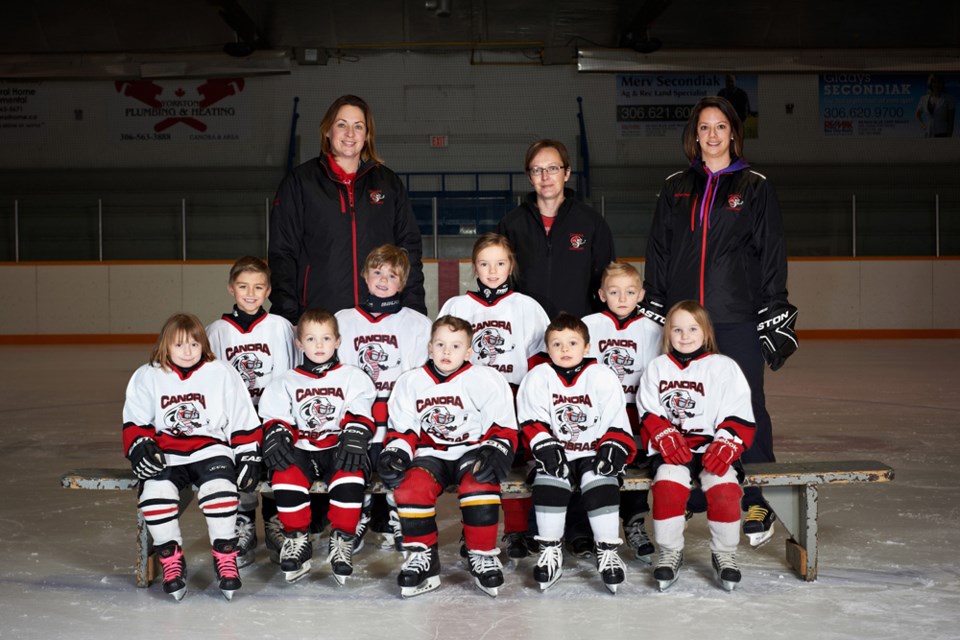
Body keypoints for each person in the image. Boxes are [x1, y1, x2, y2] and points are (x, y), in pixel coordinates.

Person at [641, 95, 797, 547]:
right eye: (703, 128)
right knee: (685, 402)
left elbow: (771, 249)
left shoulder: (755, 185)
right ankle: (692, 493)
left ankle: (755, 496)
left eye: (720, 127)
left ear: (733, 133)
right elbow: (659, 249)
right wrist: (656, 302)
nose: (711, 135)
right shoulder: (674, 186)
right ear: (694, 135)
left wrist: (774, 306)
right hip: (685, 319)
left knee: (747, 404)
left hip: (737, 315)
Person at [122, 313, 261, 602]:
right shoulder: (148, 374)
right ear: (165, 346)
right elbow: (136, 419)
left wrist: (248, 454)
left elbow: (241, 415)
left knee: (221, 491)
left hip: (211, 449)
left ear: (203, 345)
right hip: (168, 454)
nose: (188, 352)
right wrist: (140, 445)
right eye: (179, 345)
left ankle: (225, 556)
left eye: (194, 345)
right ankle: (171, 558)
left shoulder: (220, 372)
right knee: (155, 495)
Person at [376, 316, 518, 598]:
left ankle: (481, 553)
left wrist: (497, 448)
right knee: (410, 487)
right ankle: (423, 556)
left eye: (455, 346)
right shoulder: (411, 381)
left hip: (470, 452)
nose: (446, 352)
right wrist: (395, 453)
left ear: (468, 352)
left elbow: (502, 424)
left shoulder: (485, 378)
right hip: (429, 455)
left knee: (480, 483)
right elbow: (403, 430)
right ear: (429, 347)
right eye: (440, 344)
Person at [268, 94, 426, 325]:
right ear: (327, 131)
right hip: (319, 321)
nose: (350, 134)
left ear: (367, 135)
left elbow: (408, 249)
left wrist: (414, 311)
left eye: (358, 126)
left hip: (381, 318)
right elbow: (282, 253)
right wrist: (288, 316)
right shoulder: (301, 182)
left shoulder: (388, 183)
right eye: (341, 124)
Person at [438, 232, 549, 558]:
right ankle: (469, 528)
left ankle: (516, 531)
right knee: (474, 466)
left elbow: (539, 361)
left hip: (513, 399)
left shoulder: (527, 306)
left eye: (500, 263)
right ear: (474, 267)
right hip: (469, 402)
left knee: (515, 466)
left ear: (510, 265)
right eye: (485, 264)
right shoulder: (457, 306)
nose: (492, 270)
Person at [639, 301, 755, 592]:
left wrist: (727, 442)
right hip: (672, 450)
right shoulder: (658, 367)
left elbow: (739, 411)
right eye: (677, 329)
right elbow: (648, 409)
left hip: (712, 448)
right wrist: (664, 434)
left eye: (693, 328)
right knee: (667, 486)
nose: (685, 335)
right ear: (668, 333)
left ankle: (724, 554)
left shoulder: (724, 366)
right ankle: (670, 550)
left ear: (706, 332)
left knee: (726, 490)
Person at [516, 313, 636, 594]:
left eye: (572, 343)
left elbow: (616, 419)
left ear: (586, 347)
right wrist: (544, 443)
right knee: (550, 480)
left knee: (600, 480)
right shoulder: (538, 376)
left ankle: (607, 551)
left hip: (592, 452)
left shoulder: (602, 375)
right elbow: (530, 419)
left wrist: (612, 445)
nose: (565, 349)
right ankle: (551, 549)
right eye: (557, 344)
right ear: (547, 348)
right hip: (555, 452)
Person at [257, 309, 377, 585]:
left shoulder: (352, 377)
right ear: (299, 344)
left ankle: (342, 539)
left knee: (350, 471)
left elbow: (361, 412)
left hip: (336, 446)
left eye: (326, 338)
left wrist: (356, 431)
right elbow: (277, 417)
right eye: (311, 339)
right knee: (284, 473)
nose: (319, 345)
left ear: (338, 341)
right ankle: (297, 539)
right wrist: (277, 433)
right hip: (302, 448)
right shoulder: (285, 382)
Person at [335, 245, 431, 552]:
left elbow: (420, 383)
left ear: (402, 283)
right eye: (377, 272)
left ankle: (397, 513)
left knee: (400, 468)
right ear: (364, 275)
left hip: (396, 419)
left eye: (392, 275)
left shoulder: (417, 324)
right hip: (356, 420)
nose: (383, 280)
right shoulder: (342, 320)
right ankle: (360, 513)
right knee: (351, 465)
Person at [205, 256, 297, 568]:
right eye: (243, 286)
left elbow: (293, 374)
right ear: (231, 288)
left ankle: (274, 524)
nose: (250, 293)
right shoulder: (216, 331)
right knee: (239, 469)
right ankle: (243, 525)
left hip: (272, 418)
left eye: (258, 287)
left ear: (268, 290)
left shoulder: (281, 326)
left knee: (277, 464)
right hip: (236, 422)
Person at [582, 262, 662, 563]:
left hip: (637, 416)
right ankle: (596, 528)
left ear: (641, 294)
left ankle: (635, 522)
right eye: (614, 292)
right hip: (600, 417)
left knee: (636, 472)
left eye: (630, 292)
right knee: (598, 470)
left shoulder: (654, 329)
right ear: (602, 294)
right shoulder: (588, 325)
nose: (623, 298)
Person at [497, 139, 615, 319]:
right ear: (529, 177)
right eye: (537, 170)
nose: (545, 177)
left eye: (553, 168)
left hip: (576, 332)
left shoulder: (591, 223)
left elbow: (607, 281)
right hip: (525, 332)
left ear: (567, 173)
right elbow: (500, 280)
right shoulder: (511, 225)